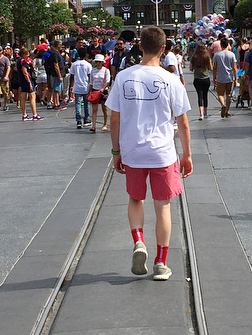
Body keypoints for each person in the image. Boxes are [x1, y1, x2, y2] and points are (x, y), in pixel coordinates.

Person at [108, 25, 192, 281]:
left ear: (140, 46)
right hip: (162, 154)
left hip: (133, 151)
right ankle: (160, 263)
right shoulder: (171, 80)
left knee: (136, 200)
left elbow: (114, 118)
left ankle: (139, 241)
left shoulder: (123, 77)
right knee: (163, 206)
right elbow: (183, 122)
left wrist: (116, 151)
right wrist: (186, 154)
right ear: (163, 49)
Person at [212, 37, 237, 118]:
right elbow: (234, 67)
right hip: (230, 77)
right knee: (228, 95)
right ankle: (227, 111)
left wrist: (214, 77)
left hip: (220, 77)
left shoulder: (216, 55)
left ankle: (223, 105)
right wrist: (236, 78)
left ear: (221, 45)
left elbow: (214, 67)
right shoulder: (232, 54)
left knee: (220, 94)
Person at [69, 47, 92, 128]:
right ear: (85, 55)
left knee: (78, 104)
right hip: (86, 86)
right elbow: (90, 76)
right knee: (87, 104)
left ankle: (78, 120)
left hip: (77, 86)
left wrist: (71, 86)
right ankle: (87, 118)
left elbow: (71, 76)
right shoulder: (88, 65)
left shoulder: (74, 64)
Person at [190, 43, 213, 120]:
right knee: (205, 95)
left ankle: (201, 114)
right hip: (206, 78)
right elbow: (211, 68)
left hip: (197, 78)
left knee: (199, 96)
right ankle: (205, 112)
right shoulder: (207, 57)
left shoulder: (194, 57)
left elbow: (190, 68)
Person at [88, 54, 111, 132]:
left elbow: (107, 81)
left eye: (99, 62)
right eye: (96, 62)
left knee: (104, 109)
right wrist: (89, 91)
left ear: (102, 62)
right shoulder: (93, 70)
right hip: (95, 90)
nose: (97, 63)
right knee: (94, 109)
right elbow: (91, 82)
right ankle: (93, 125)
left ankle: (105, 124)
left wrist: (103, 88)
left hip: (103, 91)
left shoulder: (106, 70)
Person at [19, 47, 42, 121]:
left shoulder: (19, 61)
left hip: (22, 80)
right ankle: (35, 114)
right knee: (32, 96)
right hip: (27, 80)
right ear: (23, 54)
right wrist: (29, 82)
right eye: (27, 55)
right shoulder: (24, 62)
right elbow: (25, 72)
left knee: (23, 97)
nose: (28, 56)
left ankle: (24, 115)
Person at [45, 40, 65, 110]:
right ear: (58, 45)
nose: (62, 46)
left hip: (58, 74)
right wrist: (59, 75)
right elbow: (56, 65)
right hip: (56, 74)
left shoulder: (56, 53)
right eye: (61, 45)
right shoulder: (55, 53)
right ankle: (56, 103)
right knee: (56, 90)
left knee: (57, 89)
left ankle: (57, 103)